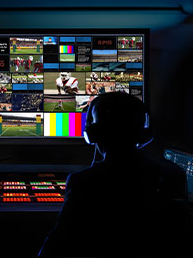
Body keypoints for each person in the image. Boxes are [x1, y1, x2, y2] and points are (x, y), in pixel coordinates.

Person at [38, 92, 191, 257]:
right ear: (143, 133)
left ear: (92, 134)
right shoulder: (173, 175)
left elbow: (55, 246)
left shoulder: (83, 182)